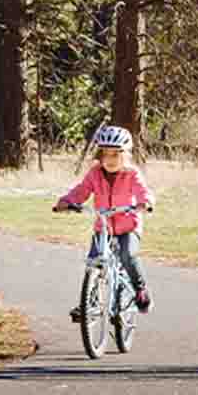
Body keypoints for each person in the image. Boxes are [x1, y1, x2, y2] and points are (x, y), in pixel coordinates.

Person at [57, 124, 156, 319]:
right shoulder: (95, 173)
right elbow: (82, 190)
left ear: (125, 155)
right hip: (103, 226)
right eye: (105, 154)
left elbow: (142, 190)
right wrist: (67, 201)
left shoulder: (131, 174)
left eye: (115, 155)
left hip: (128, 225)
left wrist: (145, 202)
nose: (109, 160)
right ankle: (89, 304)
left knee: (128, 255)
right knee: (94, 262)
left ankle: (140, 290)